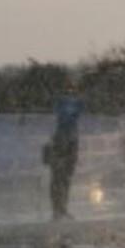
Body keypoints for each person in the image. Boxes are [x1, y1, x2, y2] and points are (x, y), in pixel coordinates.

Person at [44, 79, 84, 219]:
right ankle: (56, 209)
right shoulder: (60, 102)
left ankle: (63, 208)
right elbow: (57, 118)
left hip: (72, 139)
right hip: (59, 139)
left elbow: (74, 118)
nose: (70, 91)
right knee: (57, 177)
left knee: (66, 177)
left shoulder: (78, 102)